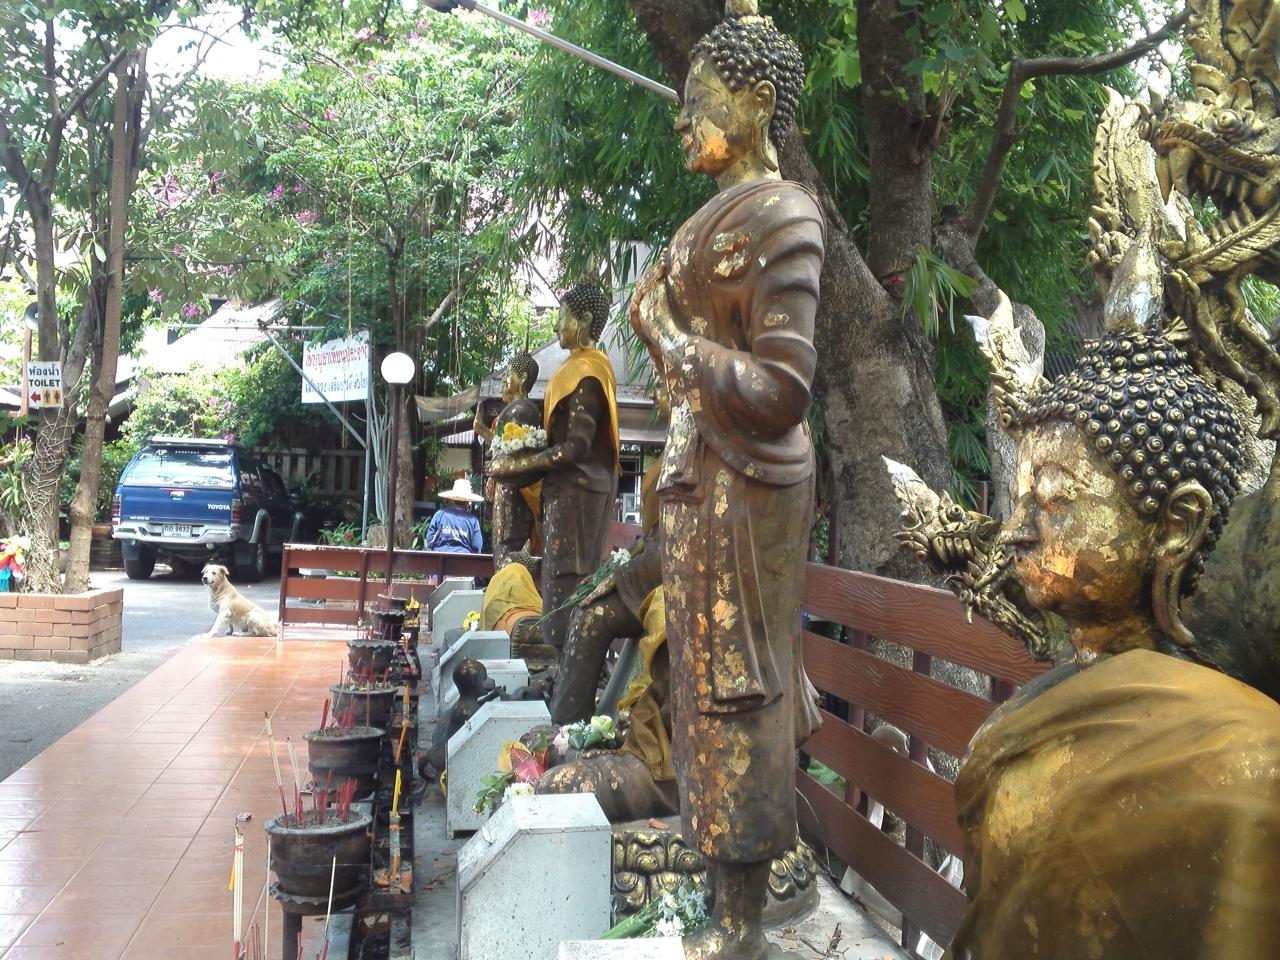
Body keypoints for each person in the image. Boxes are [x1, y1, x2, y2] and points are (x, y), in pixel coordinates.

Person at [629, 4, 824, 957]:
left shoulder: (784, 215)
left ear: (754, 104)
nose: (682, 119)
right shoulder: (704, 220)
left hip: (749, 487)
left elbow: (782, 390)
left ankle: (742, 922)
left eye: (698, 100)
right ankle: (723, 903)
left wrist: (668, 336)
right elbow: (688, 378)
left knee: (739, 688)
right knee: (699, 689)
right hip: (697, 478)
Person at [488, 282, 620, 651]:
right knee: (557, 574)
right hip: (563, 489)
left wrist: (527, 461)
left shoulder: (589, 372)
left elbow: (577, 446)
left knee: (571, 574)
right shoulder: (573, 368)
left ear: (585, 320)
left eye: (562, 317)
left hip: (580, 490)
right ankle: (559, 655)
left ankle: (571, 659)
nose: (556, 325)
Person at [423, 477, 484, 554]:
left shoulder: (440, 514)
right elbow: (477, 546)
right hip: (465, 559)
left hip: (439, 557)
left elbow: (430, 539)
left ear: (452, 500)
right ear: (468, 502)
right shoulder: (473, 520)